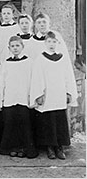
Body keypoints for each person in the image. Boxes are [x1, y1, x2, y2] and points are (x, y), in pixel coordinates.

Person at [30, 31, 78, 160]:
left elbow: (68, 76)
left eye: (54, 42)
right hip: (47, 95)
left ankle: (59, 147)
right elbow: (37, 77)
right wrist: (39, 94)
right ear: (45, 43)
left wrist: (68, 92)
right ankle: (50, 147)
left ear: (58, 43)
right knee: (48, 121)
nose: (52, 44)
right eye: (49, 42)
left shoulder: (62, 58)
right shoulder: (40, 58)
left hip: (59, 94)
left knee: (59, 120)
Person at [0, 36, 37, 159]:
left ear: (22, 47)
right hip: (10, 97)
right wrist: (2, 98)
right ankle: (12, 147)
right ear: (9, 48)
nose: (15, 48)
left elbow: (33, 80)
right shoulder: (6, 63)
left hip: (23, 97)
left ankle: (25, 148)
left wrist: (32, 97)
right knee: (11, 123)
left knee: (24, 124)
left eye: (17, 46)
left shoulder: (29, 62)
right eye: (13, 46)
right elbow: (2, 82)